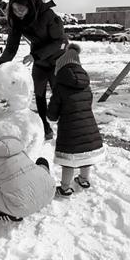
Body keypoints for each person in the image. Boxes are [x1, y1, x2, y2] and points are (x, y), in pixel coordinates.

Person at [0, 0, 68, 140]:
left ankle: (65, 126)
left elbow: (60, 41)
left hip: (58, 59)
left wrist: (35, 55)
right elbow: (11, 47)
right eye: (15, 9)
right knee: (39, 93)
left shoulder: (47, 15)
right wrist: (0, 67)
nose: (18, 12)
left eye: (21, 9)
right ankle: (45, 126)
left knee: (60, 94)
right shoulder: (17, 20)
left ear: (30, 5)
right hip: (40, 61)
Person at [47, 43, 105, 197]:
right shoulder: (86, 85)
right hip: (88, 126)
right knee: (85, 155)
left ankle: (65, 187)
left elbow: (52, 114)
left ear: (59, 69)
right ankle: (84, 179)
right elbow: (87, 103)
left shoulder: (60, 87)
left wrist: (51, 116)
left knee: (69, 161)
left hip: (70, 130)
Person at [0, 123, 56, 222]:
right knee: (41, 161)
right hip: (49, 192)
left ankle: (10, 213)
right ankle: (42, 186)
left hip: (21, 207)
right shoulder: (18, 149)